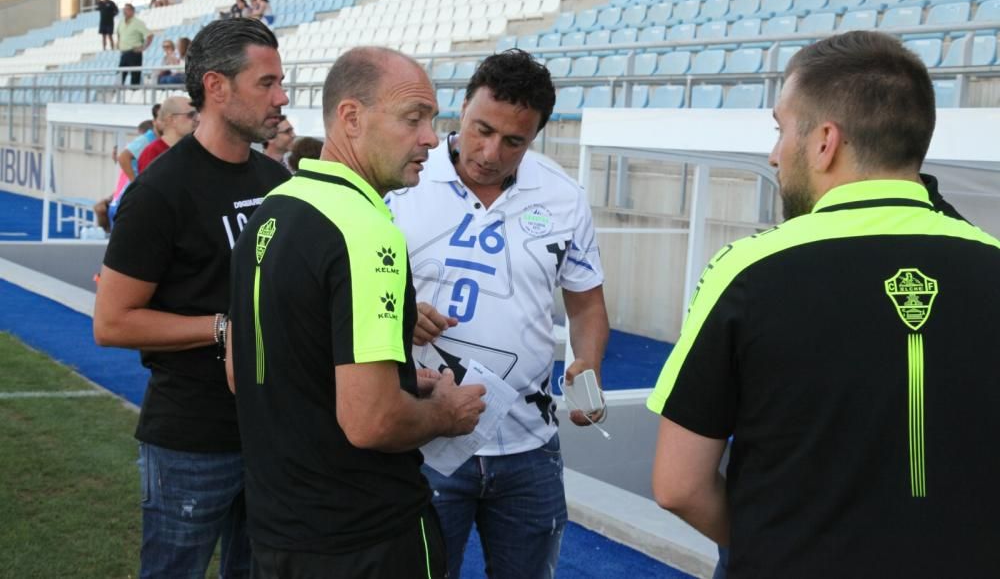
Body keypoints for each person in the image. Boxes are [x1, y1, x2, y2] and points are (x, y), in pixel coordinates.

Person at [647, 30, 1000, 579]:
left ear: (824, 141)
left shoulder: (746, 269)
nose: (774, 154)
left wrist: (778, 546)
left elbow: (679, 485)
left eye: (781, 129)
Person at [227, 46, 486, 578]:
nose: (432, 139)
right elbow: (371, 421)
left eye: (432, 121)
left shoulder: (270, 211)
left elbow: (243, 371)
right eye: (413, 119)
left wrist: (392, 379)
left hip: (278, 532)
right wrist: (447, 413)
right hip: (364, 535)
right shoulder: (368, 233)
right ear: (351, 118)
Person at [386, 49, 610, 579]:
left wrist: (589, 363)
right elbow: (350, 293)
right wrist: (397, 313)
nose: (490, 152)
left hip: (530, 444)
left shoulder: (563, 196)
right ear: (461, 109)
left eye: (515, 141)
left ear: (536, 137)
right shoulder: (399, 184)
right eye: (481, 129)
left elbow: (587, 304)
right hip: (423, 439)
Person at [93, 17, 291, 578]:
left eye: (281, 82)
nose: (281, 97)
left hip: (272, 434)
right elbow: (111, 323)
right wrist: (222, 327)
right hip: (191, 440)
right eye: (267, 83)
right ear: (216, 87)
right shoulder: (160, 191)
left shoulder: (275, 182)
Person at [136, 95, 198, 173]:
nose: (197, 119)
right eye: (191, 114)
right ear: (172, 119)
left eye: (197, 114)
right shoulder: (152, 153)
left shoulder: (194, 149)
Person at [117, 4, 153, 86]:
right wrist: (119, 43)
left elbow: (149, 35)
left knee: (135, 76)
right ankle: (118, 94)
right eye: (124, 9)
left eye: (127, 9)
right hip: (124, 53)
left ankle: (134, 92)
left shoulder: (138, 23)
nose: (124, 12)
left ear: (132, 11)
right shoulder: (121, 22)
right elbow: (119, 33)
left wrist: (143, 48)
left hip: (134, 52)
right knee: (120, 75)